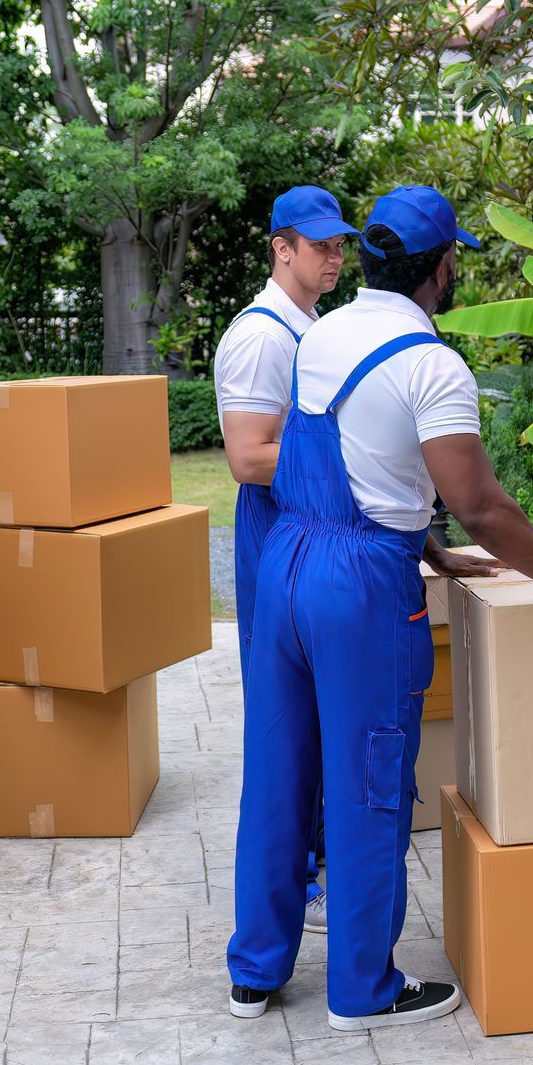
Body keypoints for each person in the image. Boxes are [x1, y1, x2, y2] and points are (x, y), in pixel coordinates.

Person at [226, 185, 533, 1029]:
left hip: (286, 563)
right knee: (366, 785)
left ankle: (255, 972)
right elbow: (483, 504)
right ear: (440, 269)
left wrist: (422, 542)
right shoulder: (432, 366)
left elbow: (351, 462)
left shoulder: (320, 335)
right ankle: (362, 990)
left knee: (280, 773)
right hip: (358, 589)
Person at [213, 185, 354, 934]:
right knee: (285, 716)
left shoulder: (315, 324)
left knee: (320, 710)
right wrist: (353, 468)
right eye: (318, 244)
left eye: (339, 244)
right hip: (277, 527)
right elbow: (246, 457)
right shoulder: (263, 336)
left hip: (310, 522)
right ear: (281, 247)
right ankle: (295, 877)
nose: (333, 256)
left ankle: (319, 860)